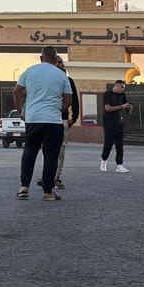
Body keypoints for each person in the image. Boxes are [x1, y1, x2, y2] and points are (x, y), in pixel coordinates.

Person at [13, 47, 73, 200]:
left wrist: (21, 111)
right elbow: (68, 99)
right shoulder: (61, 75)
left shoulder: (29, 71)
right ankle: (47, 192)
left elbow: (16, 91)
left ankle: (24, 187)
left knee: (29, 151)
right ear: (55, 59)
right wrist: (59, 109)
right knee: (51, 156)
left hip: (33, 119)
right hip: (53, 121)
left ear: (41, 58)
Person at [53, 54, 79, 189]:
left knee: (60, 151)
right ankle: (48, 176)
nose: (58, 64)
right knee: (48, 150)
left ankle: (56, 178)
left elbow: (74, 101)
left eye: (60, 62)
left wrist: (73, 119)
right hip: (47, 120)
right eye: (55, 62)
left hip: (62, 120)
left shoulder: (68, 81)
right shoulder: (46, 80)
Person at [100, 79, 130, 173]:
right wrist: (121, 107)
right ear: (116, 85)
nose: (123, 89)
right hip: (109, 121)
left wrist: (129, 107)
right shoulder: (107, 94)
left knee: (120, 145)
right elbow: (107, 108)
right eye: (122, 87)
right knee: (108, 143)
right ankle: (104, 160)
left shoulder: (123, 95)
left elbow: (125, 106)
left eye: (124, 88)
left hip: (119, 121)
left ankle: (119, 165)